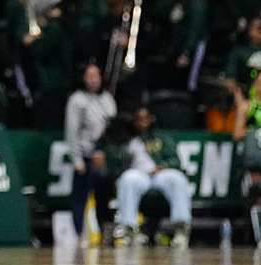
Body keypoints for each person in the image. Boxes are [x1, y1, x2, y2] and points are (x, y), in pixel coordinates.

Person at [114, 107, 192, 247]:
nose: (142, 123)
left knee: (178, 178)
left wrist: (163, 166)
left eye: (145, 119)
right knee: (127, 179)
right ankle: (130, 229)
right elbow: (116, 165)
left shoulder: (161, 137)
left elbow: (176, 161)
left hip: (159, 173)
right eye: (139, 120)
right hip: (138, 174)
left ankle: (182, 227)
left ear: (151, 120)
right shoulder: (125, 139)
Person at [64, 63, 117, 242]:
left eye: (96, 76)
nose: (93, 80)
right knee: (81, 196)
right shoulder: (77, 100)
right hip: (86, 154)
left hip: (104, 155)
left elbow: (114, 125)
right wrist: (77, 160)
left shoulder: (107, 98)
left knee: (104, 196)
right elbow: (72, 132)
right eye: (90, 76)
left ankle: (105, 232)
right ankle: (79, 234)